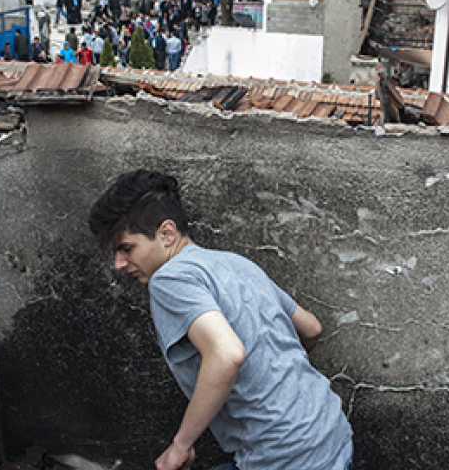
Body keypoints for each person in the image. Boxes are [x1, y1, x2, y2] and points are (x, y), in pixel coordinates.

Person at [88, 171, 352, 470]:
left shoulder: (168, 280)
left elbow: (226, 355)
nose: (118, 264)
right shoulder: (235, 263)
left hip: (286, 459)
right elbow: (311, 328)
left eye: (126, 248)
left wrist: (180, 446)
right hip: (334, 435)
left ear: (167, 234)